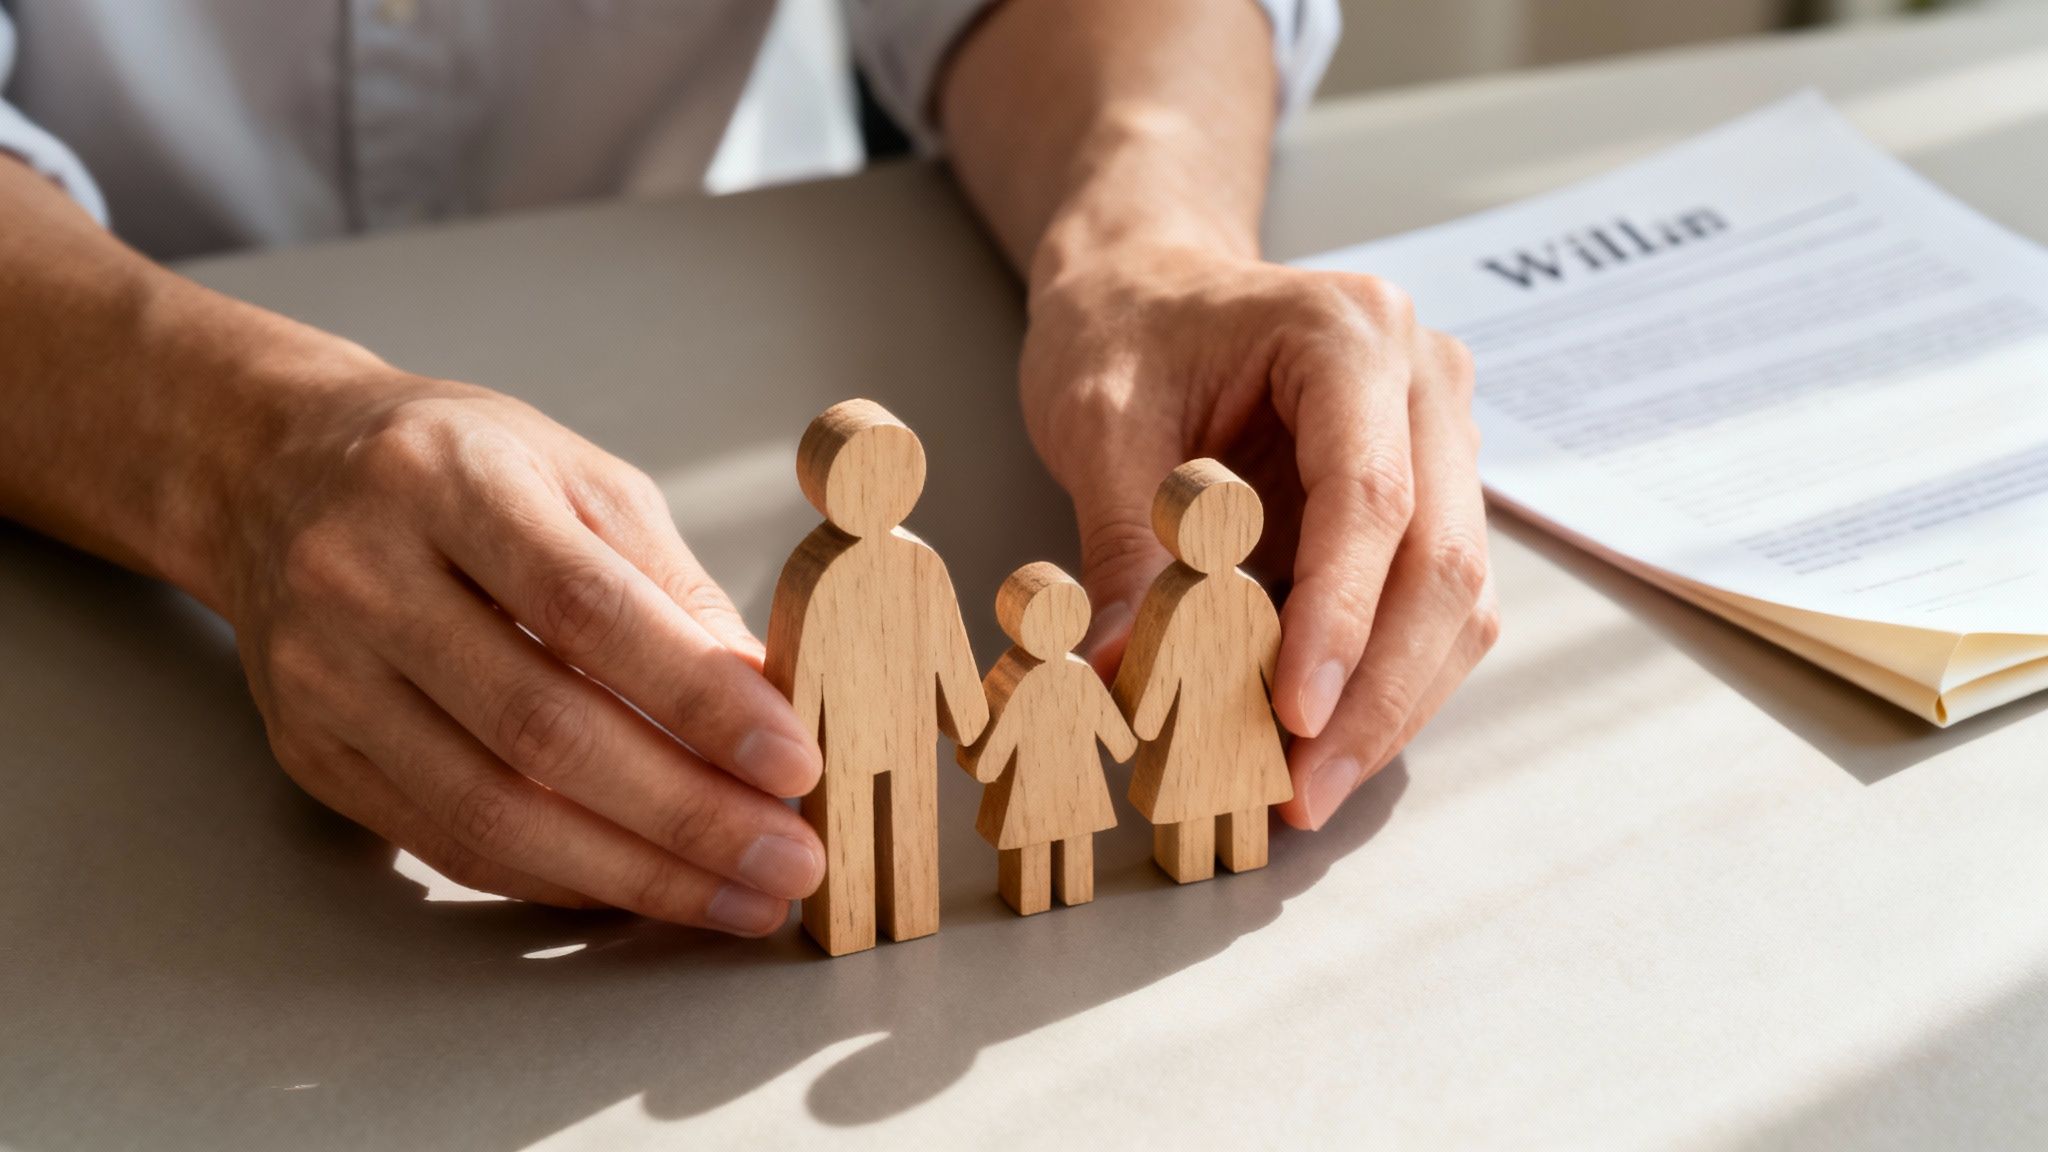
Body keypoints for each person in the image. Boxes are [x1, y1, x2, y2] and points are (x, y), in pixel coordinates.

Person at [0, 0, 1499, 937]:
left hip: (753, 295)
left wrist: (1147, 234)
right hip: (81, 394)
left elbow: (1009, 680)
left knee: (909, 849)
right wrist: (227, 444)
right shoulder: (871, 575)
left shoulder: (902, 572)